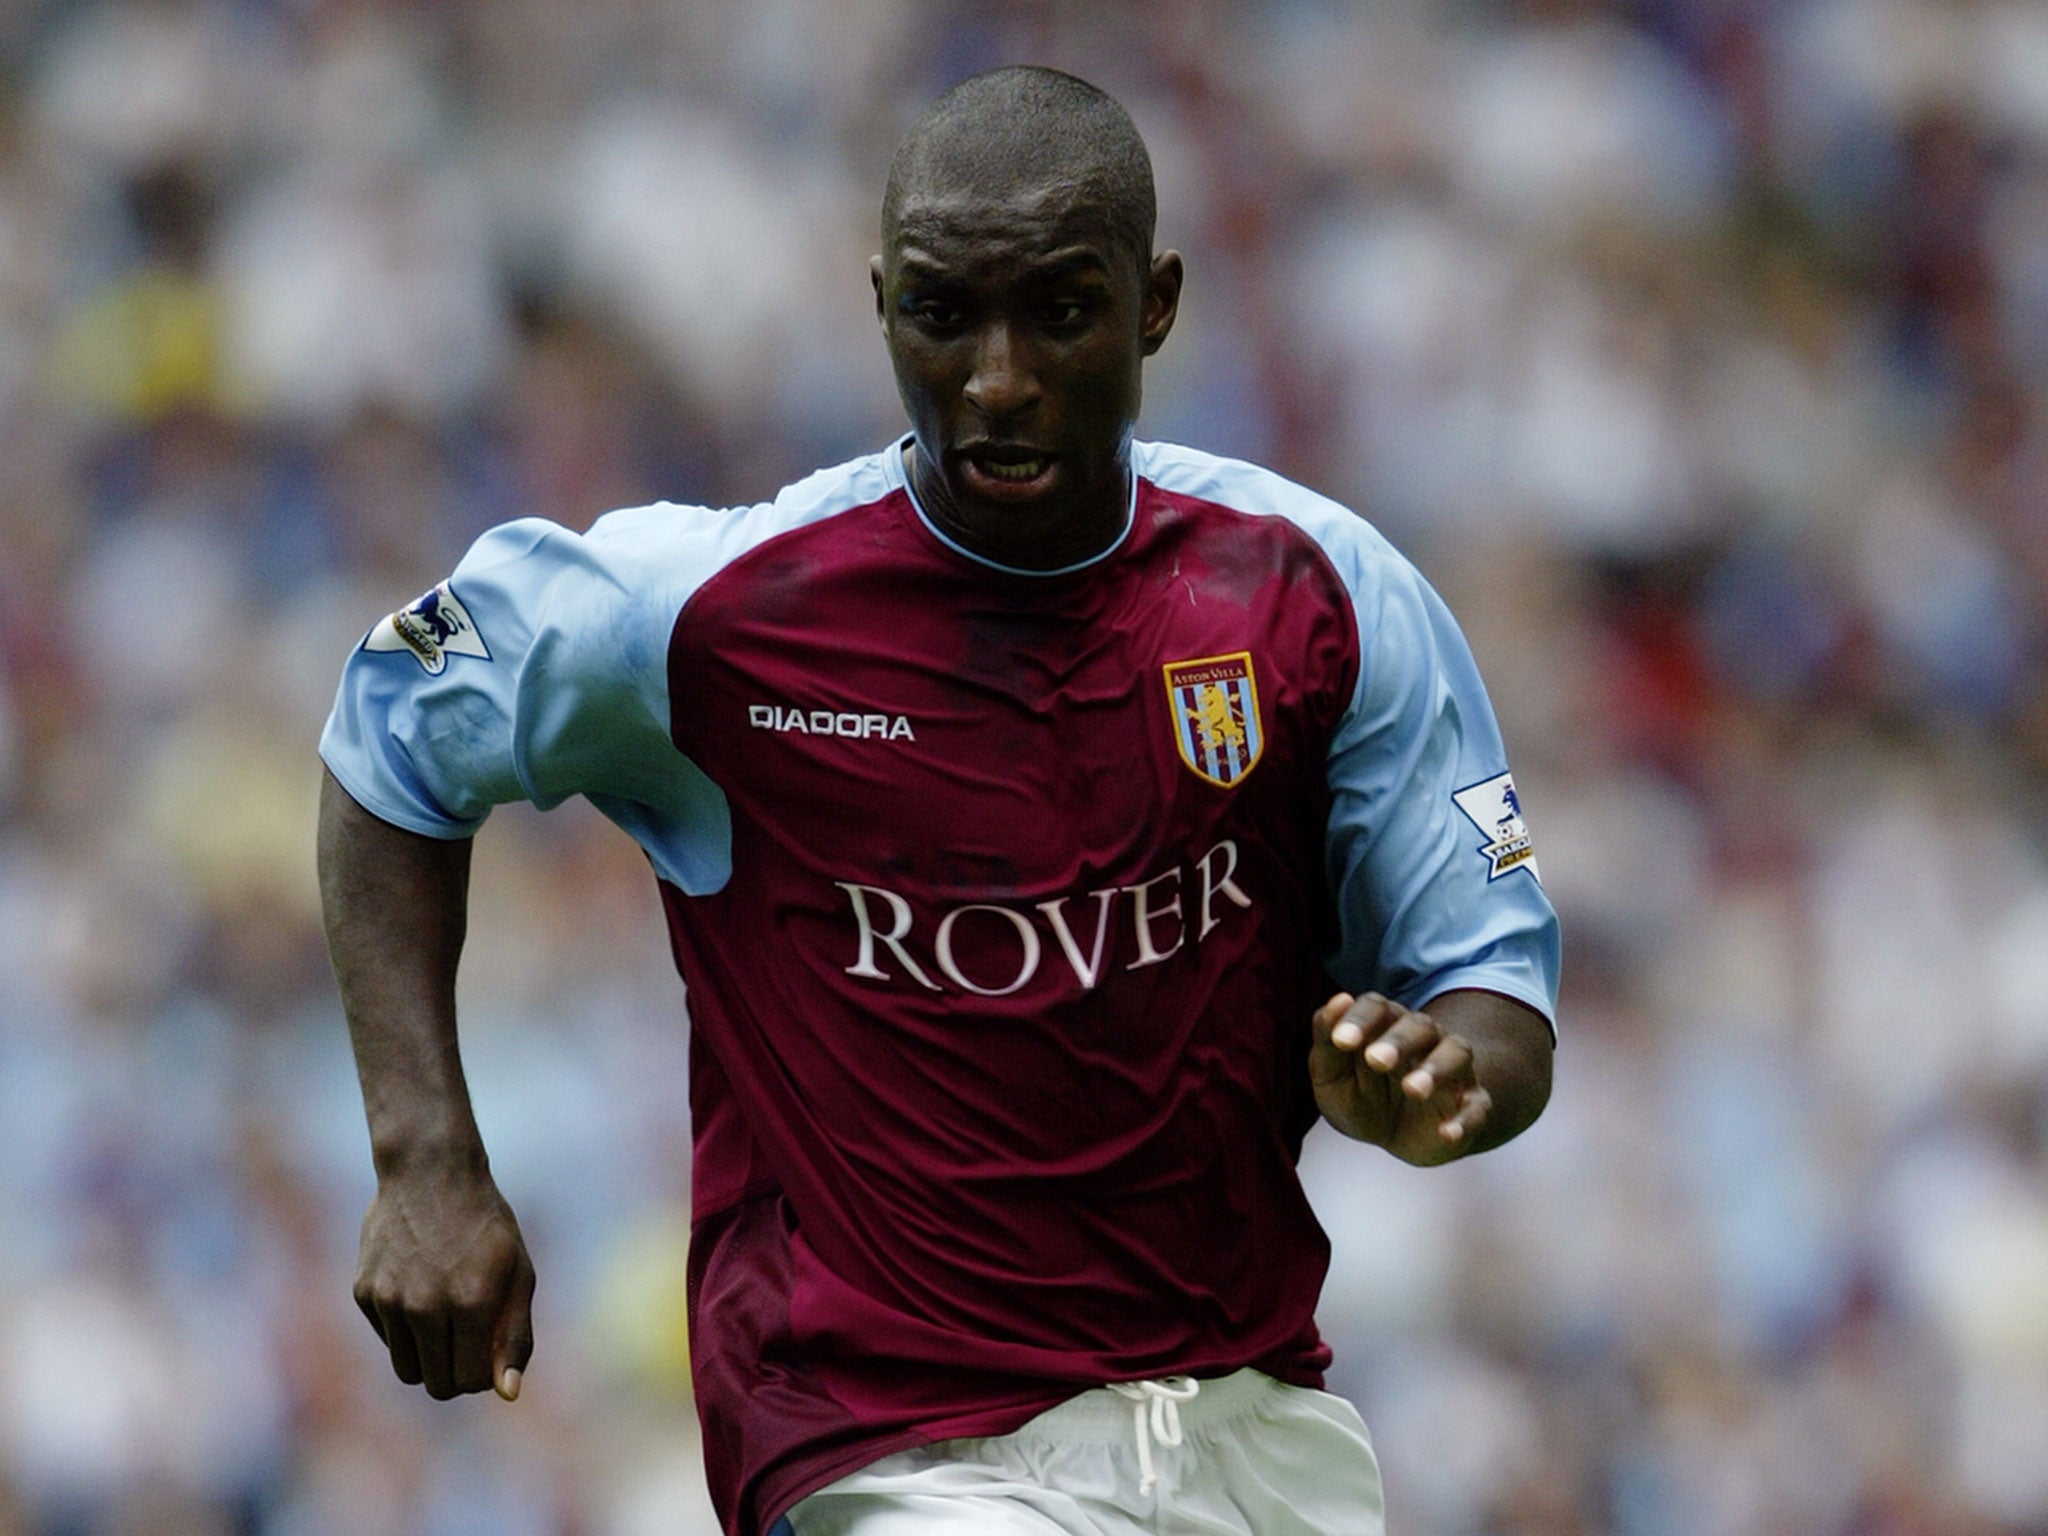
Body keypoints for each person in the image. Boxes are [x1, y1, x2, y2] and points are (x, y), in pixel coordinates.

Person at [317, 65, 1559, 1536]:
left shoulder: (1318, 596)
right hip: (889, 1451)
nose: (997, 378)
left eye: (1062, 311)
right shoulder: (706, 613)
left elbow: (1493, 1000)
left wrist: (1436, 1088)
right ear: (880, 303)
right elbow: (389, 743)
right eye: (943, 314)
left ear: (1156, 302)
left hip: (1253, 1430)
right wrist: (426, 1161)